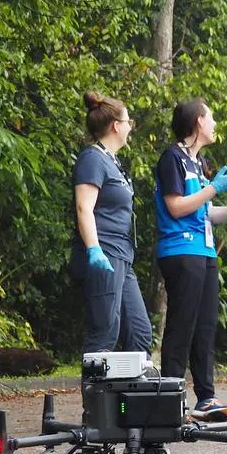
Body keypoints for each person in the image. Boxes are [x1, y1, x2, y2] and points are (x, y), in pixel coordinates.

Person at [154, 98, 227, 423]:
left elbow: (207, 212)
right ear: (198, 120)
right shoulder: (172, 158)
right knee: (181, 325)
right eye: (211, 117)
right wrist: (214, 188)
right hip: (181, 250)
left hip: (205, 251)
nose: (214, 124)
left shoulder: (198, 162)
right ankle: (171, 400)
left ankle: (205, 397)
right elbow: (176, 207)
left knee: (205, 327)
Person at [70, 91, 152, 356]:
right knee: (105, 331)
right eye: (128, 122)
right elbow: (84, 207)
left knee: (139, 332)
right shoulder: (92, 159)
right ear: (116, 126)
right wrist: (94, 249)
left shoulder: (112, 161)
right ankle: (94, 385)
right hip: (105, 253)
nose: (130, 128)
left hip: (122, 256)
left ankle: (130, 386)